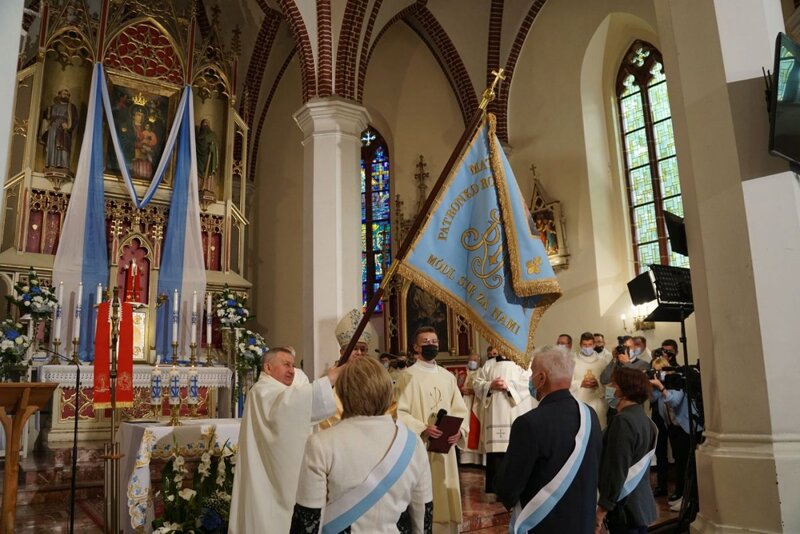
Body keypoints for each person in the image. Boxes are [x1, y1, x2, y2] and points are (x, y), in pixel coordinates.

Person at [292, 357, 433, 533]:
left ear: (342, 393)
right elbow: (423, 515)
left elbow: (307, 519)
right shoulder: (413, 443)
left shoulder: (321, 443)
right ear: (387, 391)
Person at [229, 346, 341, 532]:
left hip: (277, 475)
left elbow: (295, 403)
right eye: (286, 365)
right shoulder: (262, 391)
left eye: (293, 365)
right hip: (266, 479)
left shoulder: (279, 391)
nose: (292, 370)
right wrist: (328, 380)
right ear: (268, 368)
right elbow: (288, 406)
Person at [495, 346, 602, 533]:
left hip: (543, 524)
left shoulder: (529, 423)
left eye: (532, 374)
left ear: (541, 378)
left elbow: (509, 486)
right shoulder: (589, 414)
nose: (530, 379)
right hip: (583, 521)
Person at [396, 326, 469, 534]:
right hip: (420, 448)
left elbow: (460, 410)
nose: (431, 345)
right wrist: (422, 428)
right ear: (416, 347)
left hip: (445, 452)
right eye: (426, 342)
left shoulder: (447, 377)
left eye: (435, 341)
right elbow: (399, 412)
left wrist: (459, 431)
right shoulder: (406, 377)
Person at [596, 368, 658, 534]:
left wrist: (603, 508)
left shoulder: (623, 420)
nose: (609, 387)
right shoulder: (643, 418)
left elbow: (617, 467)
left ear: (624, 389)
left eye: (613, 384)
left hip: (626, 506)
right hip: (640, 504)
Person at [473, 352, 532, 494]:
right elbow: (477, 383)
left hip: (514, 411)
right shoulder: (489, 364)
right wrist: (490, 385)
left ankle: (513, 491)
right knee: (496, 454)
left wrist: (508, 387)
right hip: (494, 413)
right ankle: (494, 491)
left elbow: (526, 384)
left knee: (514, 451)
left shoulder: (521, 363)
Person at [318, 308, 382, 430]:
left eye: (362, 349)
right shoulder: (330, 379)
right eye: (354, 348)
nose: (359, 353)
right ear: (342, 352)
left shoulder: (374, 376)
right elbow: (324, 412)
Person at [649, 362, 701, 511]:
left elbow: (674, 400)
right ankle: (681, 495)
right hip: (673, 426)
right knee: (680, 462)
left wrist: (662, 386)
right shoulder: (664, 385)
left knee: (686, 464)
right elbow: (653, 399)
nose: (659, 375)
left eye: (662, 372)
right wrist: (653, 385)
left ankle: (688, 498)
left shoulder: (679, 381)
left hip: (686, 427)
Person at [570, 332, 611, 429]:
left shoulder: (602, 362)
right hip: (580, 402)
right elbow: (568, 383)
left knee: (598, 429)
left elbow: (608, 383)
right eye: (584, 345)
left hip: (597, 403)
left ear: (594, 345)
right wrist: (581, 383)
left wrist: (597, 382)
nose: (587, 347)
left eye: (589, 345)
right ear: (580, 345)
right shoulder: (573, 362)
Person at [40, 88, 78, 169]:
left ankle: (64, 165)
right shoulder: (53, 107)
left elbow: (75, 119)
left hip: (64, 130)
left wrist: (68, 126)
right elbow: (47, 118)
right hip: (53, 128)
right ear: (59, 95)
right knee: (52, 145)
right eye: (64, 94)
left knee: (64, 147)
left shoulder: (71, 107)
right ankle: (52, 164)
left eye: (68, 95)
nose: (66, 96)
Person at [459, 353, 484, 465]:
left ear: (479, 361)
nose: (472, 362)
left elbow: (484, 389)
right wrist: (461, 389)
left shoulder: (482, 372)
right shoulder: (463, 373)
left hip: (476, 404)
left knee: (475, 428)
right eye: (470, 359)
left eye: (475, 360)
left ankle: (476, 460)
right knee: (464, 426)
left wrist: (472, 391)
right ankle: (465, 459)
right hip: (464, 403)